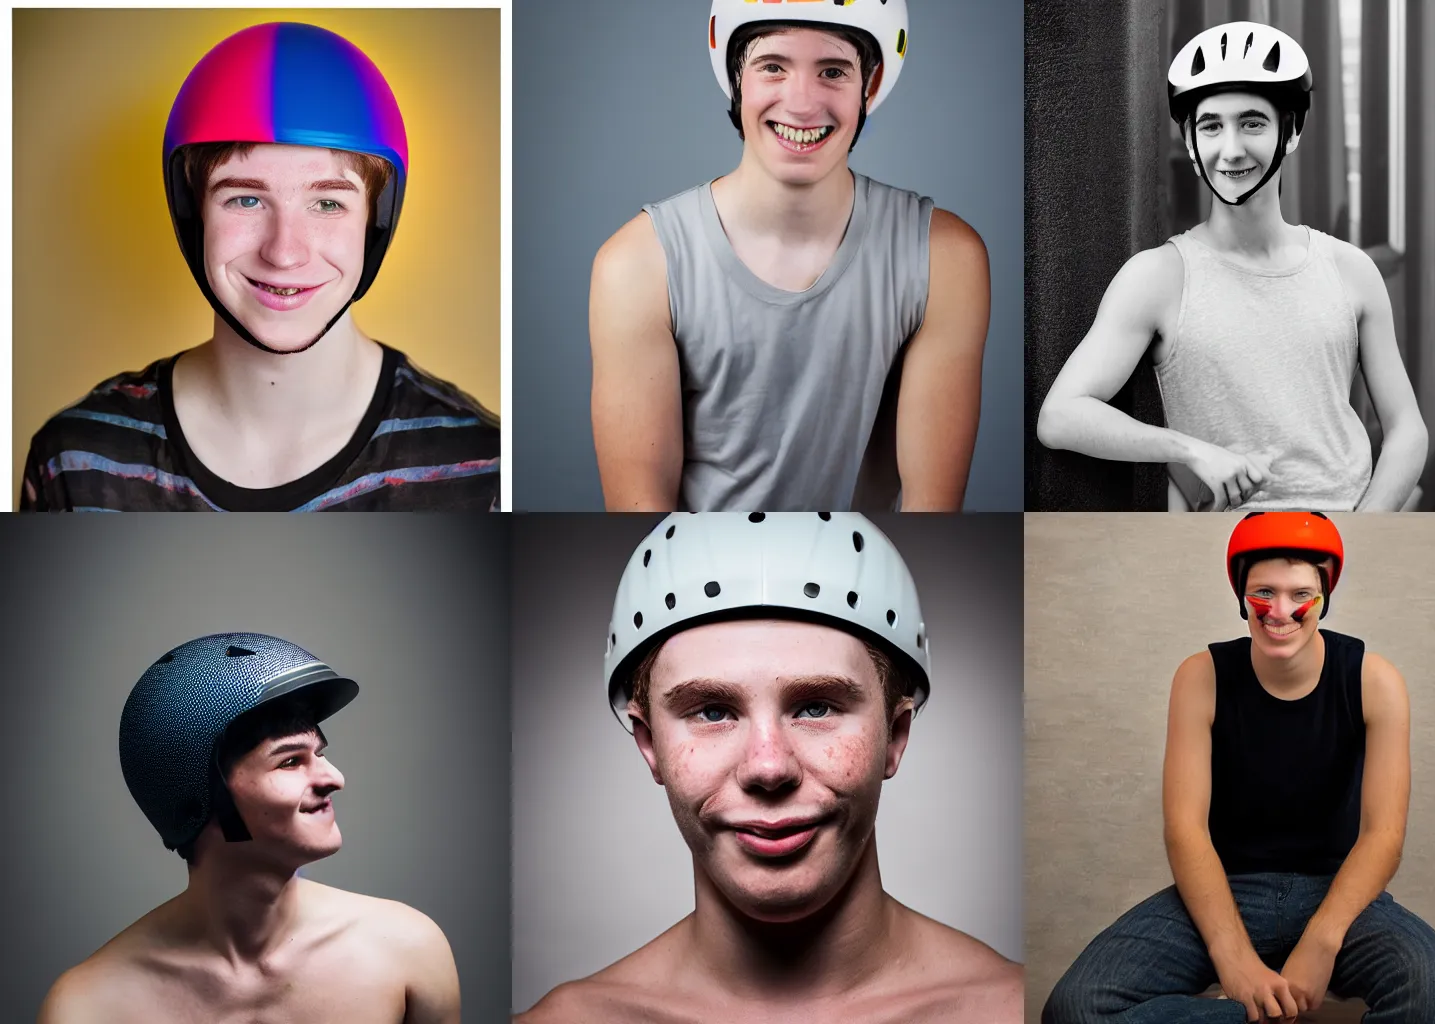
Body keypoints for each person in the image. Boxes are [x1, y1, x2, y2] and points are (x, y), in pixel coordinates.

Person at [517, 514, 1022, 1023]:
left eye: (817, 707)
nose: (768, 766)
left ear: (895, 736)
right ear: (649, 745)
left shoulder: (1013, 1009)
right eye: (713, 712)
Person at [20, 22, 499, 512]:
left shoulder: (482, 469)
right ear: (194, 215)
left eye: (329, 204)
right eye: (245, 199)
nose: (284, 252)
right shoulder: (76, 460)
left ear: (375, 224)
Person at [1043, 513, 1435, 1024]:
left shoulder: (1373, 679)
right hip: (1224, 889)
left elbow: (1384, 834)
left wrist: (1322, 940)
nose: (1281, 610)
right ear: (1241, 595)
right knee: (1075, 1008)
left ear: (1325, 596)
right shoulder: (1200, 676)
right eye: (1263, 592)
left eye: (1301, 594)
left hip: (1338, 890)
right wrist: (1235, 960)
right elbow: (1185, 829)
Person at [589, 1, 990, 513]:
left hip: (871, 586)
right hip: (701, 586)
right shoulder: (636, 266)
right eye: (773, 66)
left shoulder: (945, 259)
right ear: (737, 80)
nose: (802, 104)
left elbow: (931, 518)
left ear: (869, 85)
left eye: (832, 71)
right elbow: (642, 528)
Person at [1035, 21, 1427, 512]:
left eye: (1253, 123)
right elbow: (1060, 417)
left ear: (1291, 132)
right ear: (1193, 148)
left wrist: (1359, 535)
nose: (1232, 148)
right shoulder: (1158, 276)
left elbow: (1408, 430)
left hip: (1344, 533)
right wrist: (1190, 450)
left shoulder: (1351, 269)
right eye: (1211, 126)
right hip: (1224, 549)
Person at [37, 633, 460, 1023]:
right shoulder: (87, 1006)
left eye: (320, 753)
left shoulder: (406, 949)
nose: (334, 778)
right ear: (196, 799)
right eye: (291, 761)